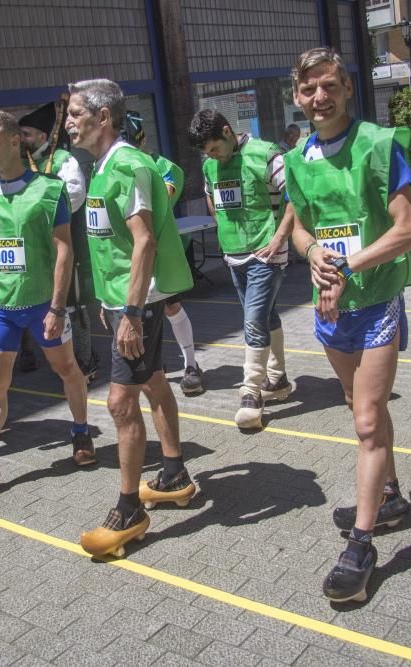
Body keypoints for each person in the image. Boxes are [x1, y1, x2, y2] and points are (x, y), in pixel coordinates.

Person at [286, 47, 411, 602]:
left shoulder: (379, 144)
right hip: (328, 306)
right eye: (307, 90)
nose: (318, 98)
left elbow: (410, 228)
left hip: (376, 300)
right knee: (358, 407)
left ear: (346, 88)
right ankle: (390, 493)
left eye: (328, 86)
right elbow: (299, 227)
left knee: (367, 422)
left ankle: (362, 545)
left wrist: (348, 263)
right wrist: (314, 250)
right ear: (297, 97)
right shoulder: (298, 157)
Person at [65, 79, 196, 557]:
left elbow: (145, 242)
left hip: (138, 303)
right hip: (122, 300)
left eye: (77, 113)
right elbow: (112, 244)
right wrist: (108, 299)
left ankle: (129, 509)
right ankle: (175, 473)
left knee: (120, 404)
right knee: (155, 382)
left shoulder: (128, 165)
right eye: (67, 113)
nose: (68, 122)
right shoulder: (99, 168)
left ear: (104, 117)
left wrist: (133, 313)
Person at [0, 111, 96, 499]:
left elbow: (64, 249)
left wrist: (56, 307)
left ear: (15, 141)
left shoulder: (49, 191)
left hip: (41, 304)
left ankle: (81, 431)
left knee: (67, 368)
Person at [188, 109, 294, 429]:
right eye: (207, 153)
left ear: (227, 131)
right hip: (233, 255)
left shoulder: (266, 154)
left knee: (252, 321)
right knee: (265, 315)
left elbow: (296, 197)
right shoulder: (210, 166)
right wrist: (223, 229)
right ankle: (277, 379)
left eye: (216, 148)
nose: (214, 156)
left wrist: (278, 238)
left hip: (266, 256)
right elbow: (211, 198)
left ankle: (251, 392)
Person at [122, 110, 204, 396]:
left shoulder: (165, 167)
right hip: (128, 256)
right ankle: (154, 366)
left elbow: (160, 202)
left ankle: (191, 365)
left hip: (160, 253)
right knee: (139, 313)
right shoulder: (110, 170)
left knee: (171, 308)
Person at [19, 101, 97, 381]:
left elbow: (75, 196)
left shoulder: (64, 159)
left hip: (67, 240)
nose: (21, 140)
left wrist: (44, 213)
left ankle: (85, 362)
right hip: (40, 250)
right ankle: (63, 364)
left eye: (26, 134)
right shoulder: (23, 164)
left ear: (42, 135)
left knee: (73, 302)